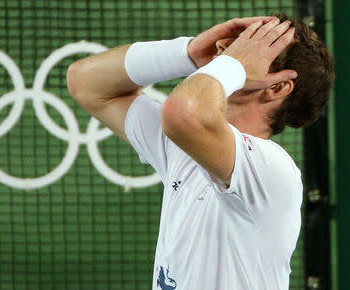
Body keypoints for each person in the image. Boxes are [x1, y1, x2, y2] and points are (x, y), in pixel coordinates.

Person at [67, 14, 333, 290]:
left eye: (247, 48)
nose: (223, 47)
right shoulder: (185, 146)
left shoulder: (273, 168)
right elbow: (84, 83)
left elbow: (182, 113)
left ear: (277, 87)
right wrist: (186, 54)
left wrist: (230, 66)